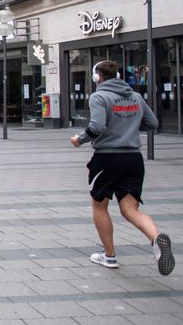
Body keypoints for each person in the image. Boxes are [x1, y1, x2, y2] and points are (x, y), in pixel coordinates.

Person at [71, 60, 174, 275]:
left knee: (100, 206)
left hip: (107, 159)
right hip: (133, 159)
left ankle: (109, 256)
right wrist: (129, 127)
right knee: (130, 209)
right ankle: (156, 239)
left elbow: (97, 126)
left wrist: (79, 140)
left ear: (97, 77)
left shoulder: (99, 96)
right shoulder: (135, 96)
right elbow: (153, 123)